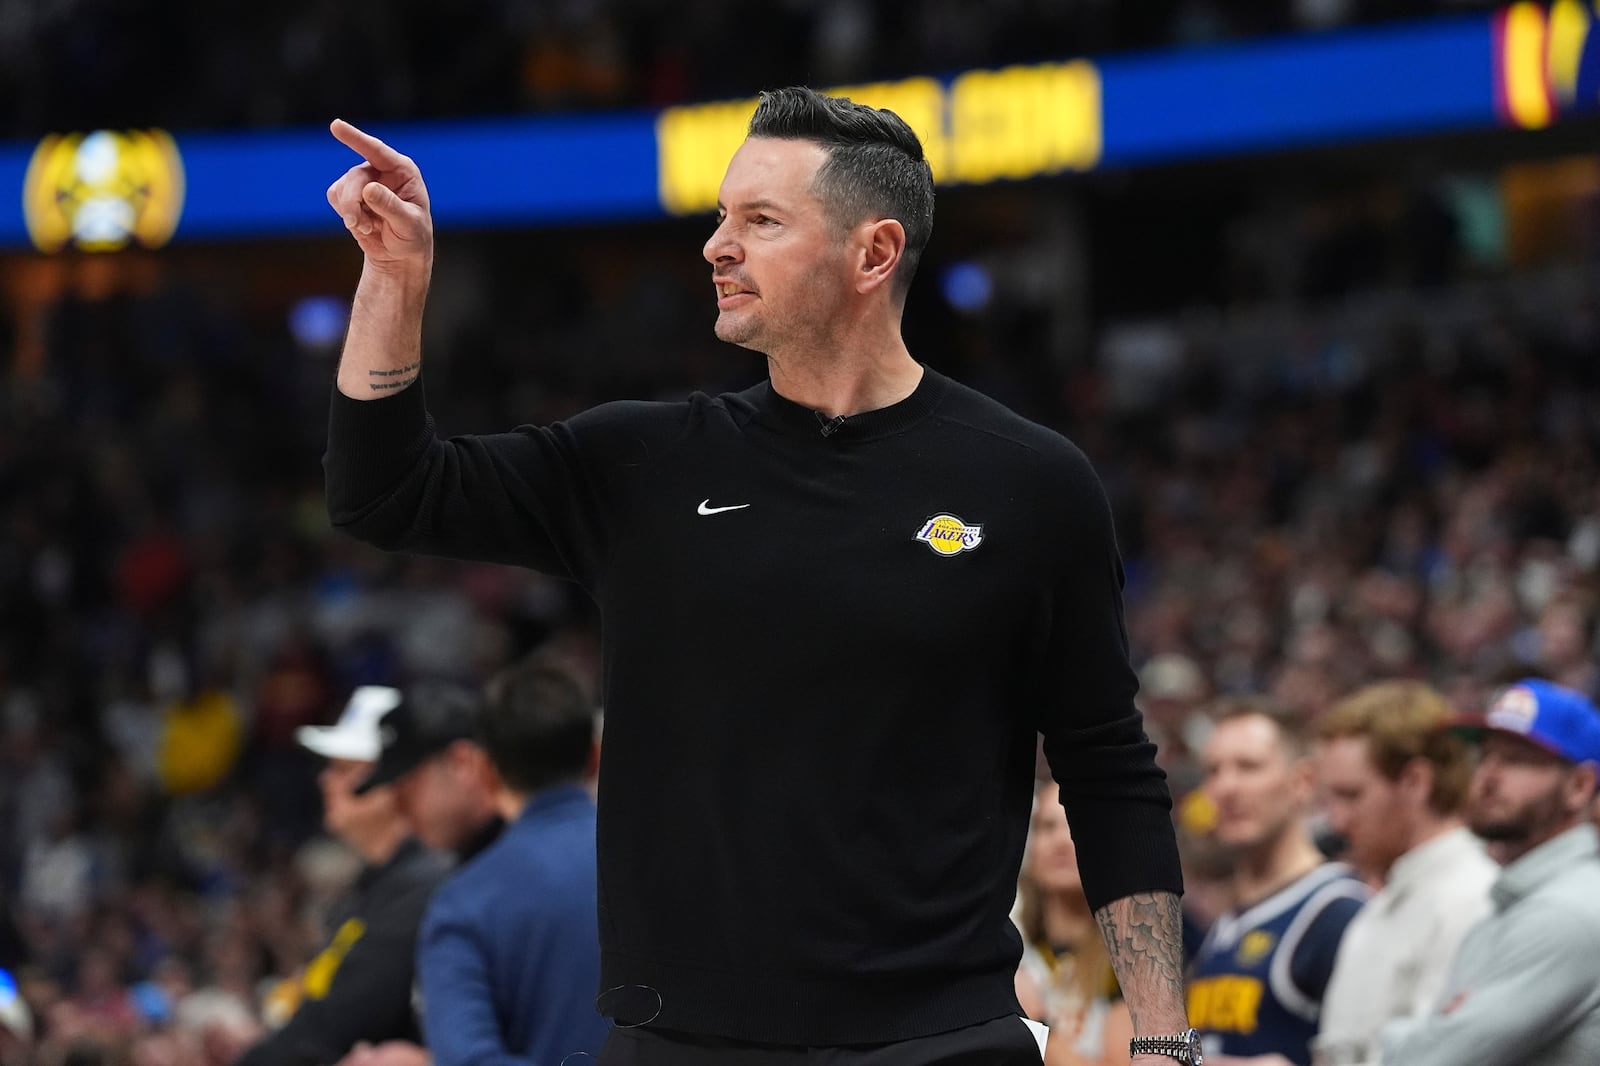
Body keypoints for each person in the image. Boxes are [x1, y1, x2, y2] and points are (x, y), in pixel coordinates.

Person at [323, 85, 1193, 1065]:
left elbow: (1107, 766)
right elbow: (384, 493)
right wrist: (393, 283)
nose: (715, 246)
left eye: (761, 221)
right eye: (720, 217)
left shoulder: (1033, 483)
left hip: (939, 1040)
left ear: (873, 253)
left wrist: (1162, 1037)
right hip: (680, 1041)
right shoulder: (643, 463)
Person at [1380, 678, 1600, 1065]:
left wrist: (1389, 1038)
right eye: (1485, 756)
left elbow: (1430, 1060)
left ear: (1580, 786)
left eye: (1516, 760)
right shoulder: (1517, 903)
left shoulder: (1566, 912)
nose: (1488, 777)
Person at [236, 686, 453, 1066]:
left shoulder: (422, 887)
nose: (325, 780)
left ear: (399, 780)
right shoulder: (374, 886)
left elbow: (337, 1023)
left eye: (344, 768)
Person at [1308, 681, 1495, 1066]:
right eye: (1331, 799)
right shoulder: (1381, 905)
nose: (1337, 822)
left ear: (1415, 781)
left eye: (1352, 795)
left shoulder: (1471, 899)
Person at [1186, 699, 1367, 1066]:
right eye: (1213, 771)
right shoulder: (1226, 926)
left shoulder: (1339, 914)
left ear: (1302, 782)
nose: (1226, 787)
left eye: (1248, 767)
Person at [1015, 780, 1132, 1066]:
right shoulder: (1010, 950)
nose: (1061, 840)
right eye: (1047, 827)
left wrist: (1035, 1024)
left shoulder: (1130, 958)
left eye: (1078, 825)